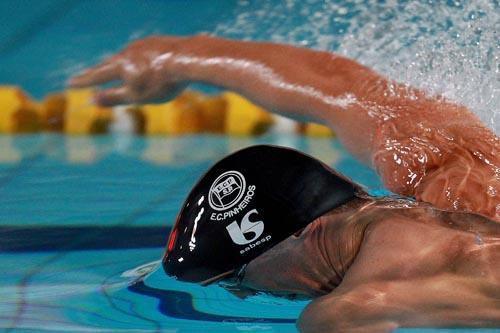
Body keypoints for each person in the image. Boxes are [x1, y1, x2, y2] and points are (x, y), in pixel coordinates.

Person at [70, 35, 500, 332]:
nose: (241, 298)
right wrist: (174, 55)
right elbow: (343, 88)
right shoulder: (443, 166)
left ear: (303, 231)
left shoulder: (350, 311)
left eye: (237, 278)